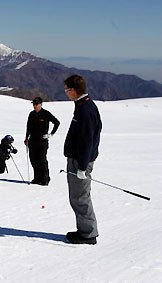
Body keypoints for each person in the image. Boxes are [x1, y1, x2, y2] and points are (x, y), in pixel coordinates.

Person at [64, 74, 102, 245]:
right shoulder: (82, 106)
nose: (66, 93)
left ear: (73, 90)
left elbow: (87, 140)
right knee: (77, 197)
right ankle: (84, 230)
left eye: (67, 89)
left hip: (80, 161)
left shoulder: (85, 109)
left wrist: (82, 167)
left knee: (80, 197)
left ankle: (88, 234)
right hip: (78, 159)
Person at [24, 97, 60, 185]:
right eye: (33, 104)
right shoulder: (31, 114)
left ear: (41, 104)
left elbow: (57, 122)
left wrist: (51, 134)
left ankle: (45, 179)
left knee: (42, 160)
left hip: (42, 141)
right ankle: (37, 178)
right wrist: (26, 138)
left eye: (36, 104)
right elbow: (28, 127)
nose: (35, 106)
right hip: (32, 140)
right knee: (33, 160)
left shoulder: (46, 114)